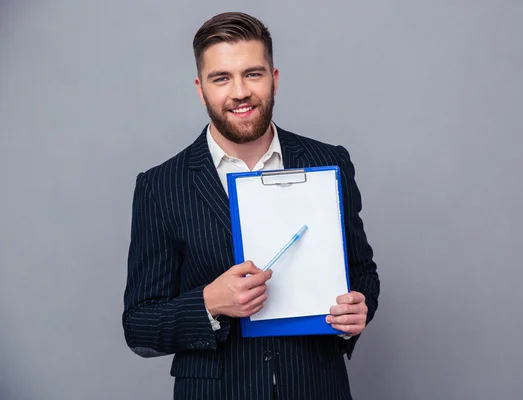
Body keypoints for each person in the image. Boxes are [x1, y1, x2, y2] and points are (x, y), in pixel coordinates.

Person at [122, 11, 380, 400]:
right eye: (221, 78)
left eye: (253, 74)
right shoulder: (160, 186)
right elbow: (139, 325)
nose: (239, 91)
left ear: (274, 79)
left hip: (316, 386)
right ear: (201, 89)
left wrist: (356, 311)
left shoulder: (330, 163)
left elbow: (362, 271)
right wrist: (209, 302)